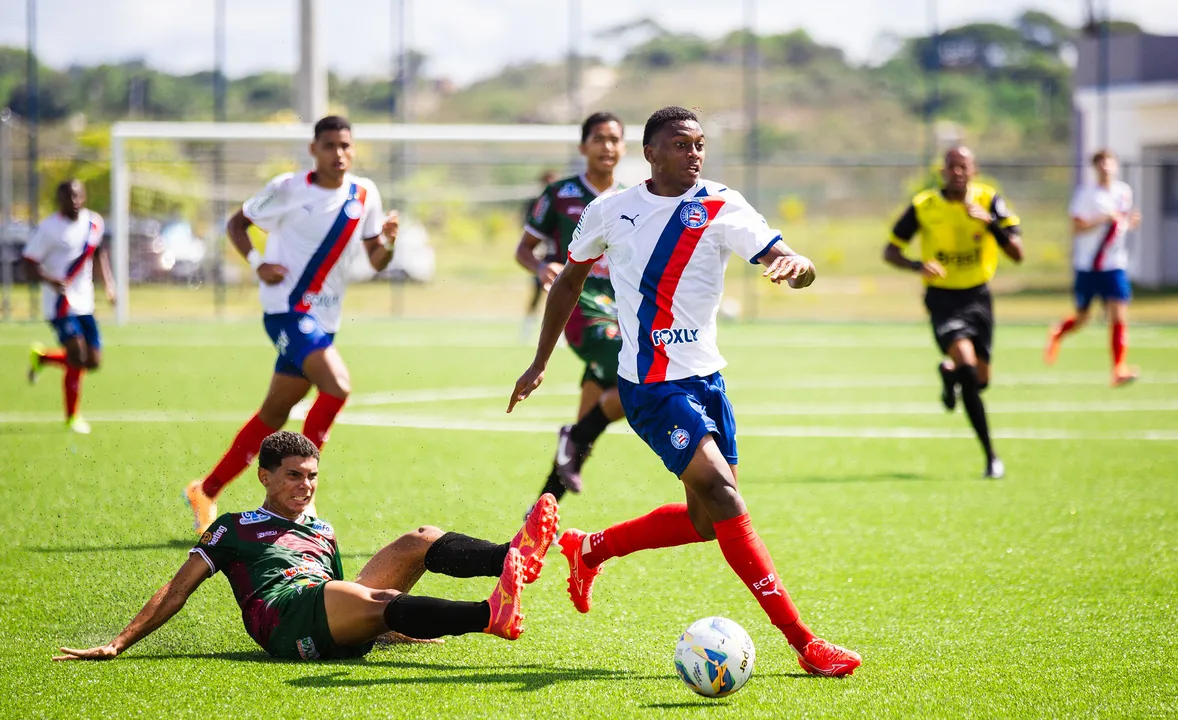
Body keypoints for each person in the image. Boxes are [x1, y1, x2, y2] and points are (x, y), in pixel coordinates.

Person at [508, 106, 861, 678]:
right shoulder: (611, 211)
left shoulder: (722, 202)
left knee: (704, 521)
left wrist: (797, 266)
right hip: (649, 385)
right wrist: (540, 361)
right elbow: (569, 279)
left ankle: (589, 548)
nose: (694, 153)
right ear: (649, 153)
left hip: (707, 380)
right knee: (725, 497)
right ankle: (805, 642)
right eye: (680, 144)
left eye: (699, 144)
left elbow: (781, 255)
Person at [55, 431, 560, 662]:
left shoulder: (323, 529)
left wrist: (392, 630)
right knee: (381, 602)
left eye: (312, 476)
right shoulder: (234, 526)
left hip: (325, 604)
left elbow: (346, 594)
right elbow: (178, 588)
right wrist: (120, 641)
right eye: (294, 476)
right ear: (265, 476)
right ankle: (487, 614)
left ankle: (511, 555)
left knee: (421, 538)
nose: (306, 485)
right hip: (287, 624)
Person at [184, 115, 398, 533]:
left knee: (274, 412)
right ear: (313, 150)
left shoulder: (365, 192)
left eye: (346, 146)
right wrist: (258, 263)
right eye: (330, 145)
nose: (339, 154)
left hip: (325, 317)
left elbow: (377, 260)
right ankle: (303, 500)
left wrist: (389, 240)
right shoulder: (288, 188)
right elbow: (236, 223)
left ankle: (205, 490)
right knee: (337, 386)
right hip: (287, 310)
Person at [884, 146, 1024, 480]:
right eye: (951, 166)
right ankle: (991, 456)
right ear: (942, 171)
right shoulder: (924, 205)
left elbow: (1017, 254)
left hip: (979, 297)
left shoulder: (990, 201)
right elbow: (890, 251)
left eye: (963, 166)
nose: (957, 172)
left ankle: (950, 376)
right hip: (943, 299)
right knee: (967, 362)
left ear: (973, 169)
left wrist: (990, 224)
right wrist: (919, 265)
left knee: (979, 379)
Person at [513, 112, 627, 502]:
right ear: (583, 147)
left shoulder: (634, 196)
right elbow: (523, 250)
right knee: (642, 373)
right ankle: (576, 438)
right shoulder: (560, 194)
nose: (607, 146)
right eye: (598, 138)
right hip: (579, 301)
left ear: (624, 147)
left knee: (612, 397)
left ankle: (536, 521)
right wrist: (544, 265)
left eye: (614, 139)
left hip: (624, 306)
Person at [23, 179, 116, 435]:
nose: (74, 202)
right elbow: (29, 263)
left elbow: (98, 252)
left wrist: (109, 284)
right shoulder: (48, 229)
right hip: (59, 304)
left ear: (84, 197)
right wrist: (50, 280)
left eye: (77, 196)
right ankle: (72, 417)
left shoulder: (94, 222)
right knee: (77, 355)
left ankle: (42, 358)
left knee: (93, 361)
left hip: (85, 301)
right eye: (68, 197)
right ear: (60, 200)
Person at [1045, 149, 1141, 386]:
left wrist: (1129, 224)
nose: (1106, 167)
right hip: (1088, 265)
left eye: (1109, 163)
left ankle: (1118, 369)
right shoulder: (1086, 194)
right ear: (1095, 168)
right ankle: (1058, 332)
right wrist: (1103, 219)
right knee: (1082, 318)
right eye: (1101, 164)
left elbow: (1121, 224)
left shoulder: (1123, 192)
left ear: (1115, 165)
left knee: (1119, 314)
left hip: (1115, 264)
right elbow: (1077, 227)